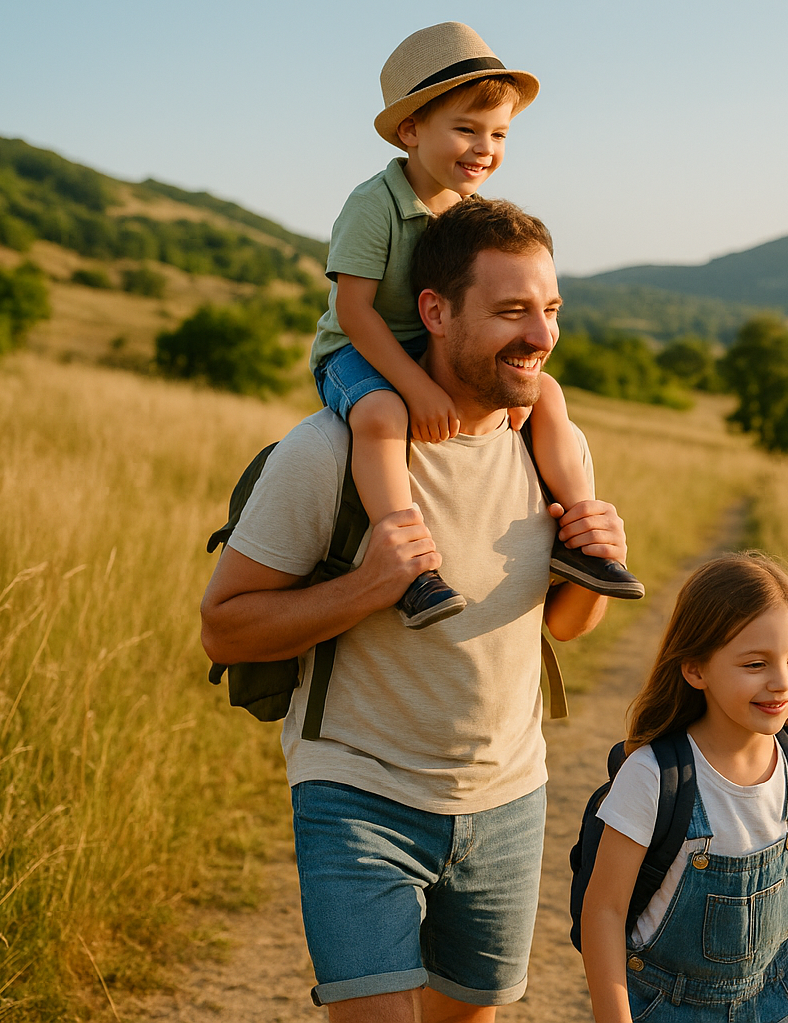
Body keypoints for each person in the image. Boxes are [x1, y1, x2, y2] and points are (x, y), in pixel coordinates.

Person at [200, 198, 623, 1023]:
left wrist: (594, 557)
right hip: (357, 793)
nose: (540, 335)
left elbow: (567, 627)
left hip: (508, 799)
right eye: (511, 312)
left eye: (550, 310)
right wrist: (369, 584)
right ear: (434, 310)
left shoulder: (548, 449)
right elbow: (224, 624)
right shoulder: (326, 453)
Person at [308, 21, 641, 630]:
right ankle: (407, 561)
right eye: (465, 129)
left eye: (498, 133)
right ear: (411, 130)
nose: (483, 148)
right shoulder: (374, 205)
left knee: (548, 395)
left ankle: (582, 539)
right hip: (356, 350)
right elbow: (354, 313)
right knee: (380, 416)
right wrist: (417, 387)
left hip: (426, 345)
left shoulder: (466, 214)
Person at [581, 554, 788, 1023]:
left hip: (774, 1005)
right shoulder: (653, 775)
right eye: (755, 664)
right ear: (696, 670)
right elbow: (604, 912)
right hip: (663, 1009)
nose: (781, 683)